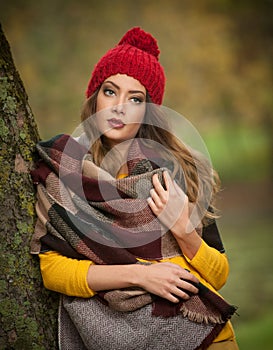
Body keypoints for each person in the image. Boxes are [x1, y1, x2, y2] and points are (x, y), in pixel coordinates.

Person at [30, 27, 238, 350]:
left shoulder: (176, 171)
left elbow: (219, 272)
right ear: (95, 96)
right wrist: (141, 276)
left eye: (135, 98)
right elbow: (52, 270)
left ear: (148, 110)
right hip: (112, 335)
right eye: (110, 92)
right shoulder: (64, 169)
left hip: (200, 337)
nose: (119, 107)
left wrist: (183, 228)